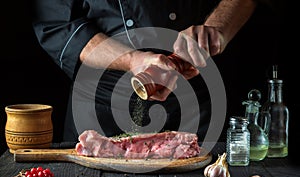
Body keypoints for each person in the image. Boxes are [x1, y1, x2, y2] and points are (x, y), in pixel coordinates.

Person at [31, 0, 257, 142]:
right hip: (103, 105)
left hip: (196, 99)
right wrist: (132, 60)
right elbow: (58, 22)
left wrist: (216, 28)